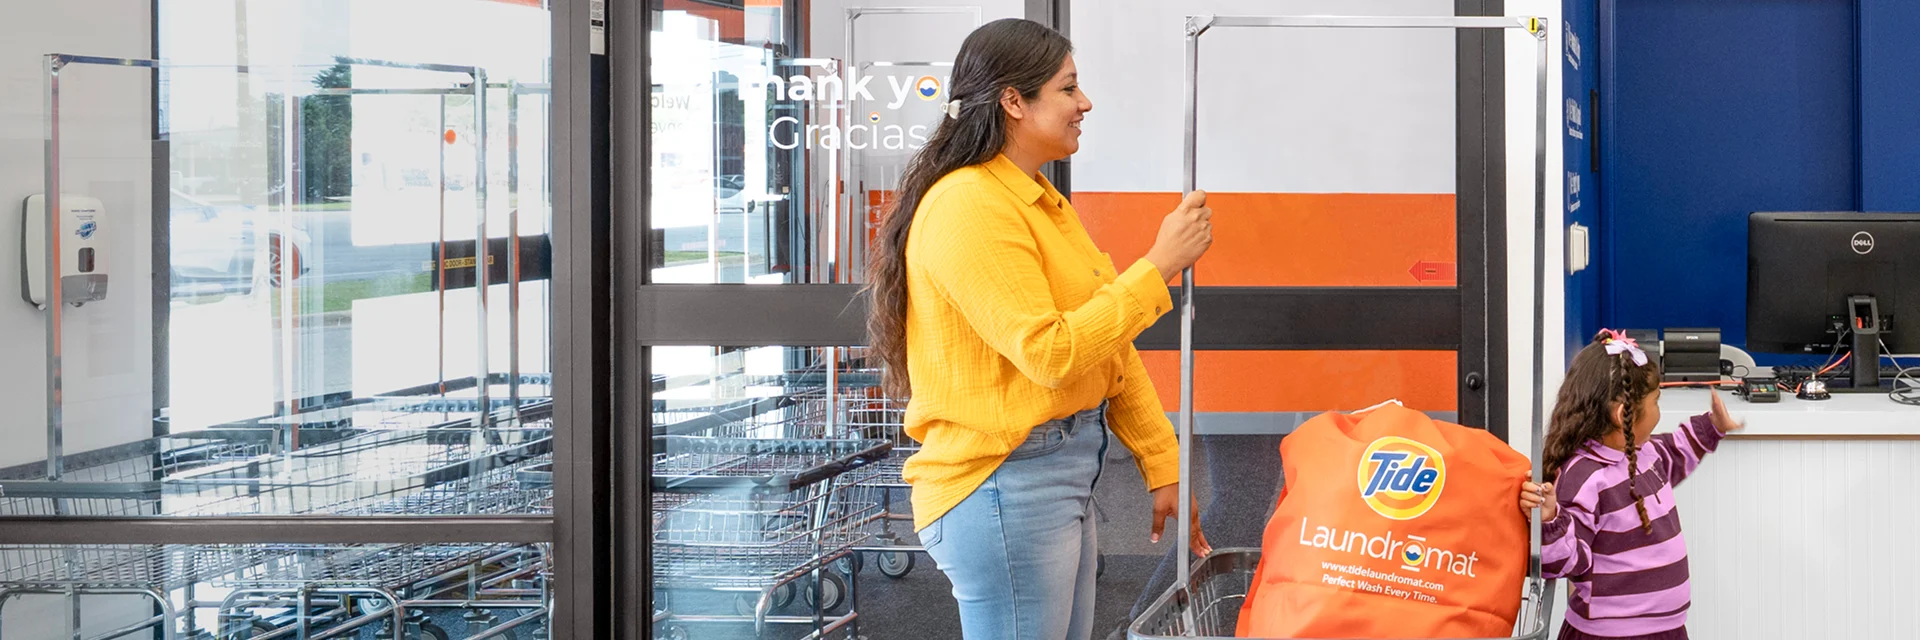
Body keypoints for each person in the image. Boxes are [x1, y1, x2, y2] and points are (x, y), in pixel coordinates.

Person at [863, 17, 1213, 640]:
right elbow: (1051, 353)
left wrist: (1163, 461)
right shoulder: (969, 205)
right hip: (1005, 481)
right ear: (1013, 101)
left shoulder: (1039, 202)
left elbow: (1106, 350)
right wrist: (1159, 266)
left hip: (1057, 472)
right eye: (1068, 88)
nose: (1085, 103)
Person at [1518, 330, 1744, 640]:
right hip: (1610, 636)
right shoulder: (1586, 477)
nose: (1658, 412)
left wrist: (1711, 427)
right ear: (1624, 414)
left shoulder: (1645, 453)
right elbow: (1564, 562)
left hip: (1666, 630)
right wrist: (1550, 521)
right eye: (1656, 402)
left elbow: (1678, 450)